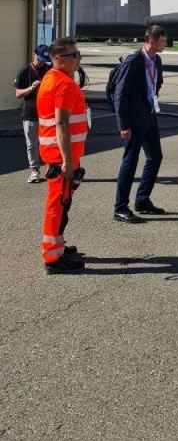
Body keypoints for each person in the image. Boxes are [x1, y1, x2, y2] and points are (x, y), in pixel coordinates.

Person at [36, 37, 89, 274]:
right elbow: (62, 124)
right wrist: (67, 160)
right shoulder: (64, 84)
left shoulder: (50, 78)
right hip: (61, 156)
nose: (78, 59)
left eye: (78, 54)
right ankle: (53, 259)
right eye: (74, 55)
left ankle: (57, 245)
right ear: (59, 59)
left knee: (61, 204)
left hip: (55, 153)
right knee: (58, 205)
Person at [112, 25, 168, 223]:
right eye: (162, 41)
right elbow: (121, 94)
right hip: (134, 121)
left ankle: (142, 200)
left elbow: (156, 83)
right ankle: (120, 207)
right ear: (152, 41)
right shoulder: (134, 61)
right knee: (130, 161)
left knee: (155, 157)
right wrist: (123, 124)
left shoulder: (157, 60)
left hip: (150, 115)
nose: (165, 44)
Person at [13, 44, 52, 183]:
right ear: (34, 55)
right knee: (32, 144)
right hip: (30, 112)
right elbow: (17, 94)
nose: (41, 62)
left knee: (48, 143)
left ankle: (50, 167)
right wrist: (31, 88)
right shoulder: (24, 71)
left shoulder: (50, 69)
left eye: (44, 60)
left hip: (48, 112)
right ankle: (34, 169)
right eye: (39, 58)